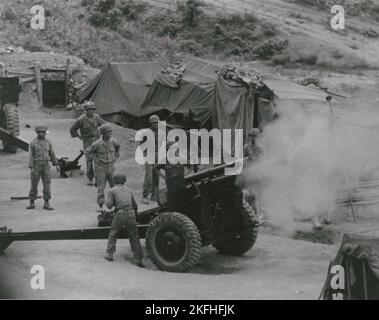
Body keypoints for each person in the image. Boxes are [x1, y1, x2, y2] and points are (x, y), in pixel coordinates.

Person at [104, 173, 144, 267]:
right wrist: (135, 217)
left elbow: (109, 206)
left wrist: (105, 201)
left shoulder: (111, 190)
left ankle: (109, 254)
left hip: (120, 214)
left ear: (115, 181)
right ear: (124, 181)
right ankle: (138, 258)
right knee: (134, 236)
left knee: (113, 232)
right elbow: (135, 205)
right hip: (131, 213)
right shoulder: (129, 190)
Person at [69, 101, 105, 186]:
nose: (92, 111)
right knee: (89, 160)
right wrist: (79, 136)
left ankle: (98, 179)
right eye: (90, 109)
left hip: (97, 140)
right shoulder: (81, 119)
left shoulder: (97, 117)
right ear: (86, 110)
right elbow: (72, 129)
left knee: (98, 160)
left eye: (93, 109)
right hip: (87, 141)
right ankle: (90, 178)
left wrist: (102, 134)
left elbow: (104, 125)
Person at [85, 124, 120, 210]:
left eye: (111, 131)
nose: (110, 133)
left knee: (115, 187)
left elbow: (118, 147)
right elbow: (87, 151)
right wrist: (94, 159)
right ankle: (100, 205)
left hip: (111, 167)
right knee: (101, 188)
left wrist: (116, 156)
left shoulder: (113, 141)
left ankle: (117, 205)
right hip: (101, 168)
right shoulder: (97, 144)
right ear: (103, 133)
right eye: (108, 132)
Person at [27, 124, 59, 210]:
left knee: (47, 185)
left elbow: (52, 154)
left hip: (45, 166)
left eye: (44, 132)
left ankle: (46, 203)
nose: (43, 134)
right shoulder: (33, 143)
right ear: (38, 133)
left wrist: (56, 164)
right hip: (36, 166)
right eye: (41, 132)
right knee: (34, 185)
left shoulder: (48, 142)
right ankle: (32, 202)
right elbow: (30, 155)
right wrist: (31, 167)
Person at [154, 141, 188, 212]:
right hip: (171, 187)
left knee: (184, 205)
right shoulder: (165, 160)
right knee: (173, 206)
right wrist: (164, 176)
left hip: (181, 185)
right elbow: (155, 168)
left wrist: (186, 174)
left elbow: (190, 165)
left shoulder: (181, 158)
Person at [142, 114, 164, 204]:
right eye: (153, 123)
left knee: (156, 176)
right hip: (149, 154)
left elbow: (163, 144)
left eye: (157, 123)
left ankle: (154, 194)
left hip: (158, 154)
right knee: (149, 176)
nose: (155, 125)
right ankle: (145, 195)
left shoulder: (162, 133)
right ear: (150, 124)